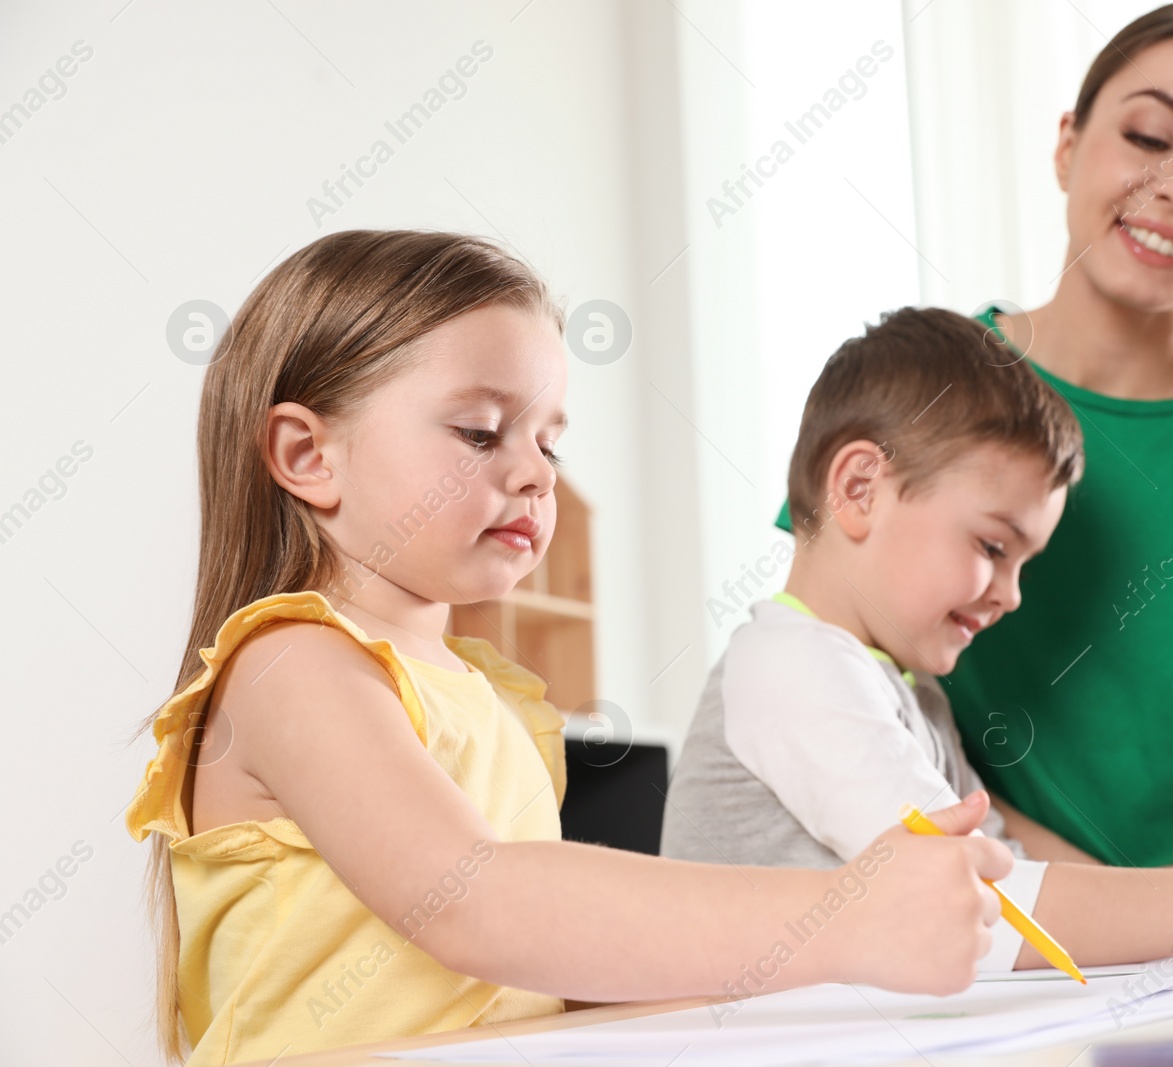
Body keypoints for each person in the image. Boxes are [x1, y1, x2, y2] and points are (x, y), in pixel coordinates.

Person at [126, 230, 1015, 1065]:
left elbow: (537, 984)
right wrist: (842, 915)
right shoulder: (292, 665)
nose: (539, 472)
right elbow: (479, 903)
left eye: (550, 440)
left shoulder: (482, 694)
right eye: (481, 431)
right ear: (308, 455)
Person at [774, 2, 1173, 869]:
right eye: (1147, 136)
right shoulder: (916, 380)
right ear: (1067, 143)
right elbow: (827, 667)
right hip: (979, 924)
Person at [666, 307, 1173, 972]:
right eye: (992, 545)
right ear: (859, 488)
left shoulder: (908, 690)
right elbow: (975, 893)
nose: (1011, 594)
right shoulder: (791, 668)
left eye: (1023, 563)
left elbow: (998, 849)